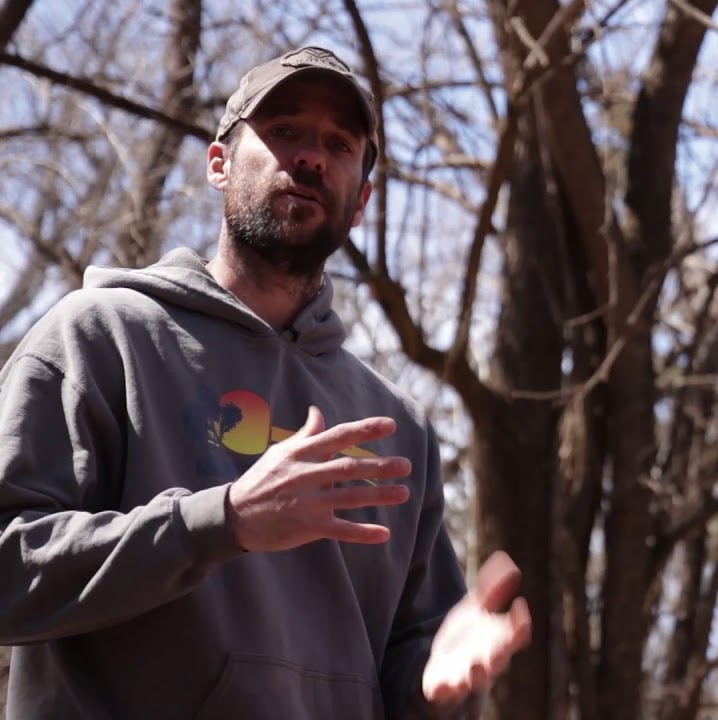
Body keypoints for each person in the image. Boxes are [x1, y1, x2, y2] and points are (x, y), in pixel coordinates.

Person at [0, 46, 530, 719]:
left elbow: (406, 664)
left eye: (340, 144)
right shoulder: (101, 339)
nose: (311, 156)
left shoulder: (395, 427)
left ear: (361, 200)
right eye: (283, 131)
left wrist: (436, 687)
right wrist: (222, 522)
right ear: (219, 164)